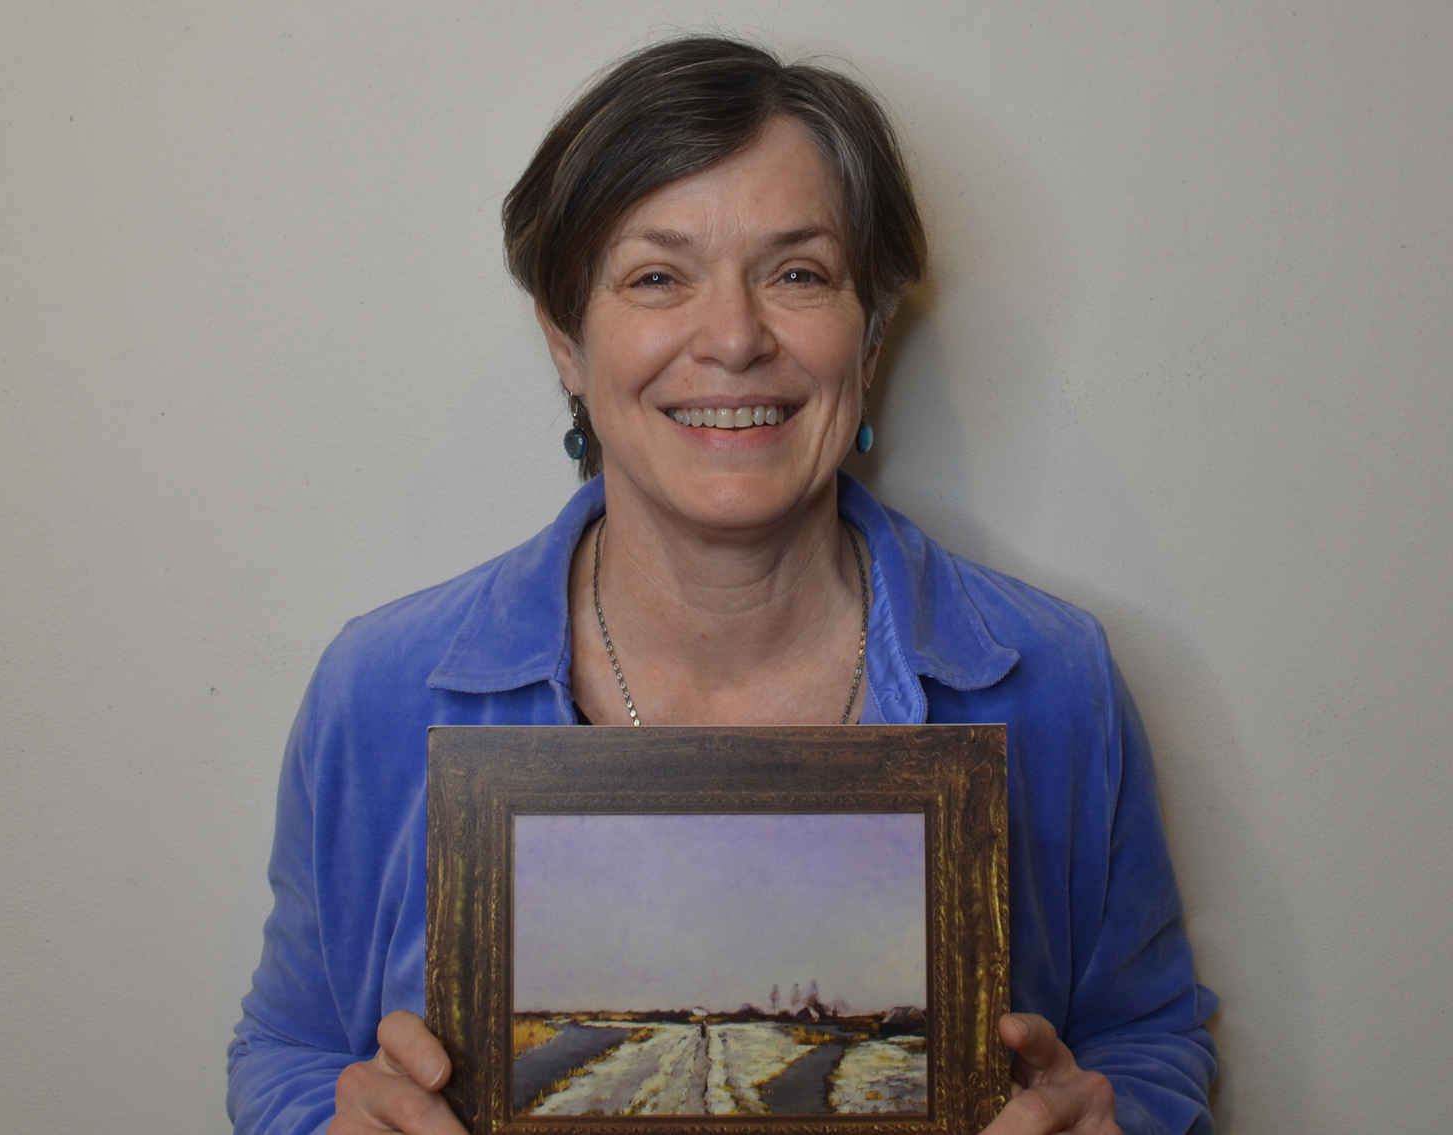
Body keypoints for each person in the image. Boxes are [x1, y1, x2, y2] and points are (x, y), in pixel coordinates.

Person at [228, 36, 1217, 1135]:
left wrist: (1116, 1116)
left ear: (872, 332)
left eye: (797, 273)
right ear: (565, 340)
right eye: (657, 277)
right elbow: (289, 1044)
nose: (735, 338)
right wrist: (326, 1120)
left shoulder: (1051, 679)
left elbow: (1151, 1034)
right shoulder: (378, 689)